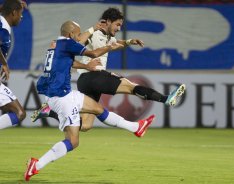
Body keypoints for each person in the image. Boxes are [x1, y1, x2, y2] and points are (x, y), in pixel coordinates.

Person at [24, 20, 155, 181]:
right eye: (78, 34)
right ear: (71, 34)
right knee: (72, 141)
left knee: (98, 109)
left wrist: (87, 66)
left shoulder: (56, 44)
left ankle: (136, 127)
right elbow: (93, 53)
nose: (80, 37)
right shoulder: (67, 43)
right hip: (63, 98)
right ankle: (36, 166)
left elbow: (69, 62)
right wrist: (109, 47)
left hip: (61, 94)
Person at [31, 7, 185, 131]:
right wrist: (91, 29)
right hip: (94, 77)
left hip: (86, 82)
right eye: (117, 24)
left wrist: (130, 41)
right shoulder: (95, 33)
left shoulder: (108, 37)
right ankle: (165, 99)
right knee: (130, 86)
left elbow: (117, 42)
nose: (119, 28)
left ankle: (49, 112)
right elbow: (79, 40)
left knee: (85, 125)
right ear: (108, 21)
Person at [0, 0, 27, 130]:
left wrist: (13, 4)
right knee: (19, 113)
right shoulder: (3, 27)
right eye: (20, 13)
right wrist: (4, 64)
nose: (21, 17)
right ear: (13, 13)